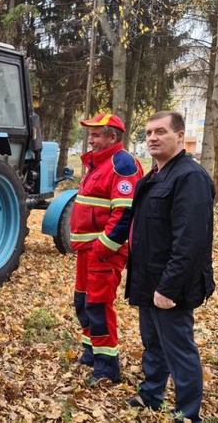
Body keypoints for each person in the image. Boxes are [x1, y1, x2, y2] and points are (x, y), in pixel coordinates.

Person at [125, 111, 215, 423]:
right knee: (152, 342)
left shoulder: (190, 177)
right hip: (148, 279)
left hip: (171, 284)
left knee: (179, 348)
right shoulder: (153, 176)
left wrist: (168, 288)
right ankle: (152, 394)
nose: (152, 138)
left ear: (180, 136)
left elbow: (190, 242)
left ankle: (188, 413)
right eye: (149, 132)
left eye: (160, 132)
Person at [70, 113, 144, 385]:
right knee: (83, 303)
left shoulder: (122, 164)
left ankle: (107, 368)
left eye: (96, 135)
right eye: (90, 135)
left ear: (113, 137)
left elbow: (124, 213)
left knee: (99, 307)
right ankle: (91, 350)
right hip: (87, 250)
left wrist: (104, 247)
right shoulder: (97, 163)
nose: (91, 140)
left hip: (103, 252)